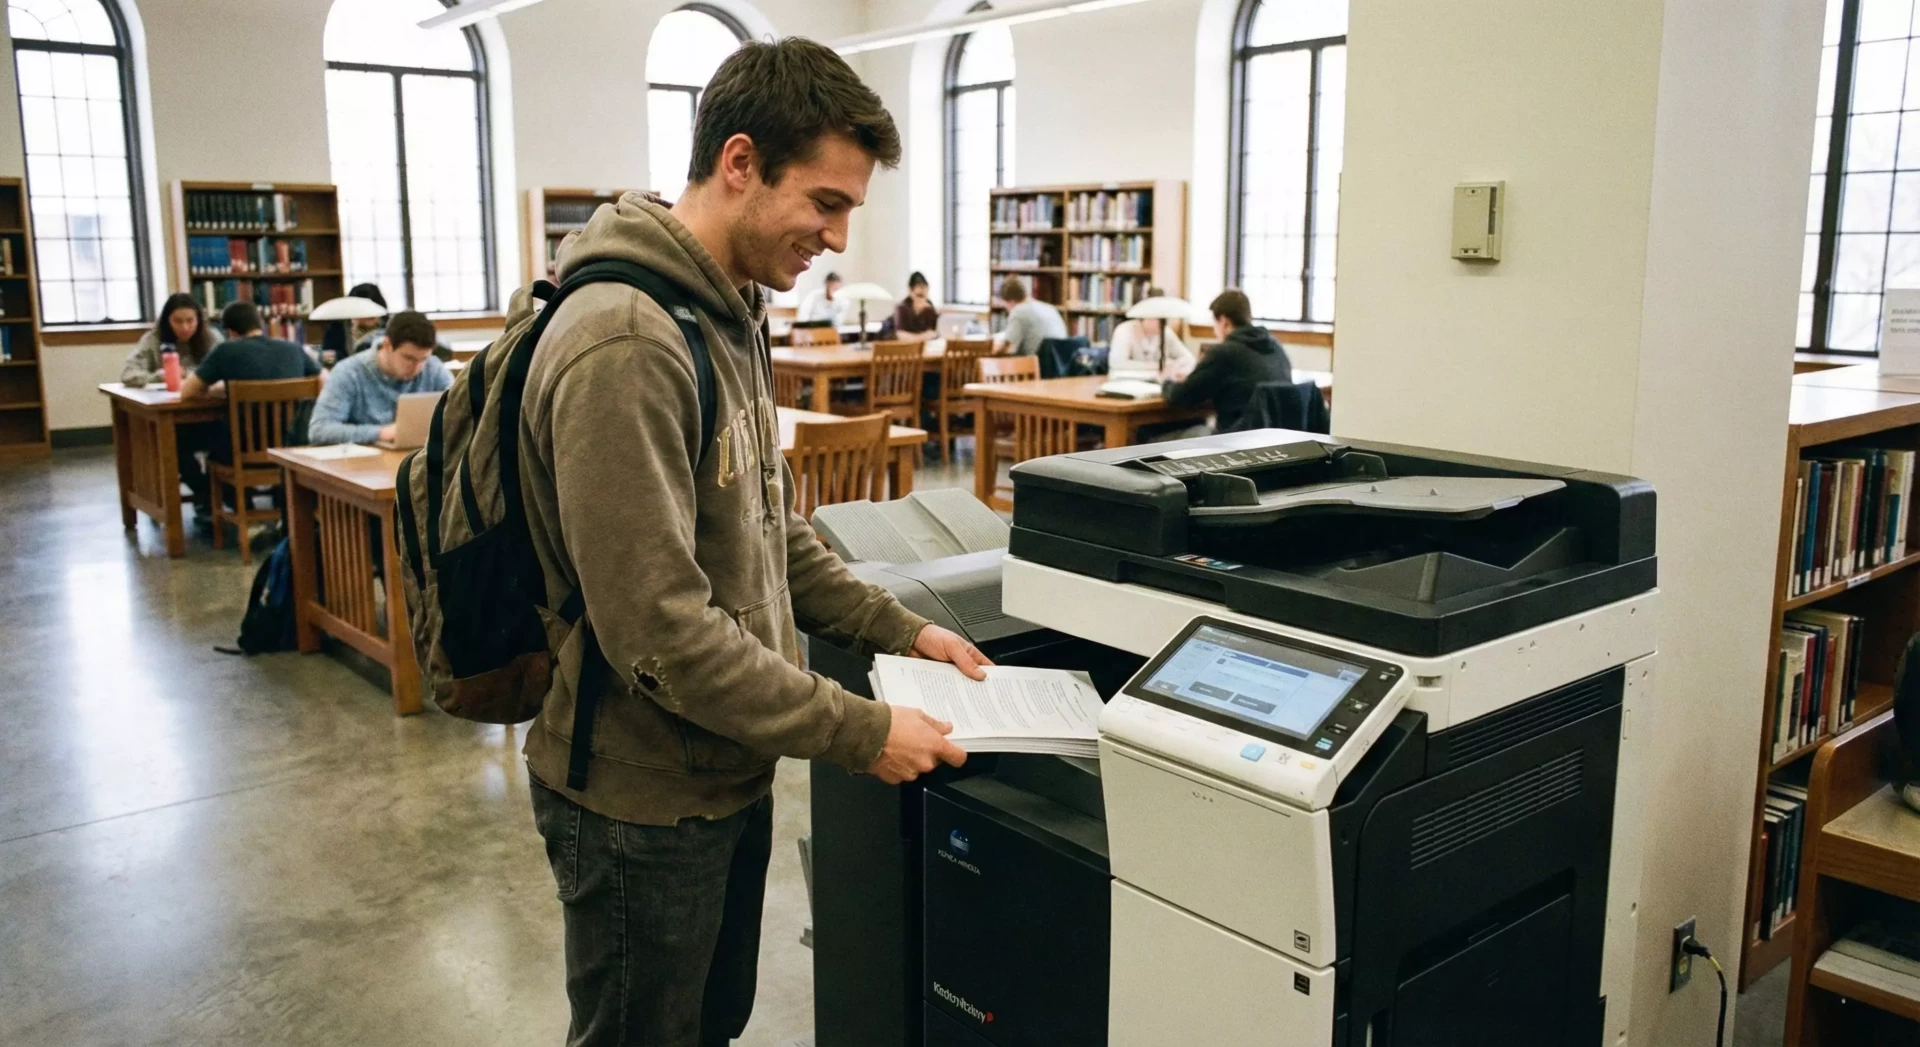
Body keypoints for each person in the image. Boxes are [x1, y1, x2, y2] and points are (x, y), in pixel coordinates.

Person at [517, 37, 985, 1047]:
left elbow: (774, 534)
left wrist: (903, 633)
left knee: (708, 1028)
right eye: (824, 202)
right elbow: (660, 632)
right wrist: (861, 733)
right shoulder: (628, 342)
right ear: (739, 163)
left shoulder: (727, 314)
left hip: (722, 769)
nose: (836, 235)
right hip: (638, 800)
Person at [177, 301, 324, 519]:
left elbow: (187, 392)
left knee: (181, 439)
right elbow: (324, 381)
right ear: (260, 324)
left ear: (230, 332)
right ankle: (278, 504)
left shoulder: (226, 350)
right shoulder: (292, 348)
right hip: (289, 446)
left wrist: (223, 390)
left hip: (241, 448)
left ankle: (232, 503)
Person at [308, 311, 452, 445]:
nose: (417, 367)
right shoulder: (348, 372)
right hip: (362, 465)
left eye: (423, 359)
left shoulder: (433, 368)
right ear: (387, 345)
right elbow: (319, 430)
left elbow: (462, 412)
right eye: (409, 358)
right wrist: (380, 433)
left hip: (418, 460)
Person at [1159, 289, 1293, 433]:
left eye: (1214, 324)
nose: (1214, 331)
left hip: (1235, 440)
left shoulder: (1224, 352)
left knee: (1150, 437)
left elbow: (1181, 396)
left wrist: (1166, 380)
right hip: (1275, 439)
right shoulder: (1276, 347)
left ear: (1224, 322)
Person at [121, 293, 223, 388]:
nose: (185, 327)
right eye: (178, 321)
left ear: (199, 320)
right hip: (163, 403)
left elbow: (227, 371)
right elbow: (128, 374)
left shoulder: (213, 337)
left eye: (190, 320)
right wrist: (160, 376)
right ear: (167, 321)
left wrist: (192, 375)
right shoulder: (152, 339)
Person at [1107, 286, 1194, 374]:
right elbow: (1117, 363)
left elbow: (1189, 359)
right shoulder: (1124, 330)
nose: (1161, 323)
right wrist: (1157, 365)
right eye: (1156, 318)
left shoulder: (1166, 333)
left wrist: (1175, 364)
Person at [992, 274, 1065, 356]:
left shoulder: (1018, 311)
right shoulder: (1051, 309)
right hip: (1060, 365)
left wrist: (993, 352)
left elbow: (1007, 349)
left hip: (1036, 365)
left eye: (1006, 307)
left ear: (1011, 302)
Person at [321, 282, 388, 363]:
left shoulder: (389, 326)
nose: (368, 315)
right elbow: (326, 358)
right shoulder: (337, 327)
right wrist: (330, 357)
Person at [891, 270, 940, 342]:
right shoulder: (901, 308)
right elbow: (901, 335)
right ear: (910, 291)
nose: (922, 300)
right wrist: (923, 337)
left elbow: (933, 334)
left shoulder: (929, 309)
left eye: (923, 296)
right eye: (918, 295)